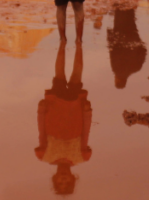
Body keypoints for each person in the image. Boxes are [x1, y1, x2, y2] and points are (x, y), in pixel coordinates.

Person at [34, 42, 93, 196]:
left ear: (55, 178)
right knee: (76, 76)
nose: (63, 179)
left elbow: (42, 132)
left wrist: (41, 111)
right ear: (73, 178)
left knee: (59, 76)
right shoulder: (82, 157)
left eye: (60, 182)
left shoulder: (44, 155)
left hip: (54, 111)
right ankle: (79, 44)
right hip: (75, 112)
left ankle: (62, 43)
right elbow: (86, 133)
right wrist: (87, 113)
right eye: (67, 182)